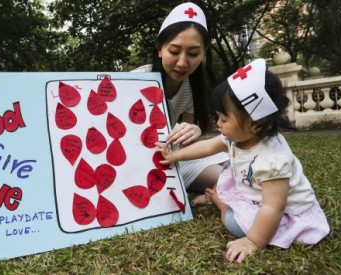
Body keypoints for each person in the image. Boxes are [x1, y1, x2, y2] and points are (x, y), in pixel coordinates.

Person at [155, 58, 330, 263]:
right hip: (253, 191)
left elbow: (273, 208)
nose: (218, 123)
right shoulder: (238, 136)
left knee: (234, 224)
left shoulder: (272, 161)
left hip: (282, 211)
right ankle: (221, 196)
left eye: (224, 118)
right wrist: (175, 155)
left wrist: (252, 241)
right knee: (228, 168)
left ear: (256, 124)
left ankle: (221, 205)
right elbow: (208, 146)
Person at [132, 2, 228, 196]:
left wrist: (194, 129)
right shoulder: (136, 81)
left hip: (173, 156)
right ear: (159, 49)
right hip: (141, 164)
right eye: (174, 51)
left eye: (193, 54)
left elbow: (185, 144)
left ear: (203, 53)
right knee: (225, 178)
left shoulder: (189, 86)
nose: (183, 62)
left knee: (239, 167)